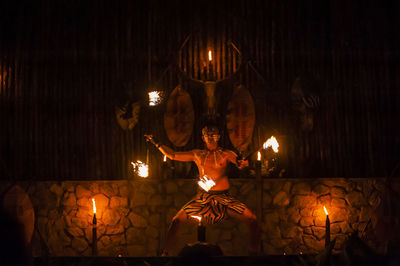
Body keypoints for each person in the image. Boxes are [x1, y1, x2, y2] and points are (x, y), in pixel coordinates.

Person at [145, 124, 261, 256]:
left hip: (224, 199)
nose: (211, 137)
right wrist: (156, 142)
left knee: (252, 219)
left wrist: (242, 163)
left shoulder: (226, 154)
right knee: (176, 221)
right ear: (203, 137)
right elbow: (172, 155)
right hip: (203, 198)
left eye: (213, 134)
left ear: (219, 137)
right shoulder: (197, 154)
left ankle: (255, 254)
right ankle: (165, 254)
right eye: (207, 135)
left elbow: (241, 163)